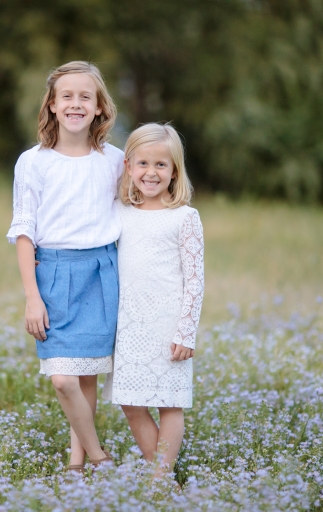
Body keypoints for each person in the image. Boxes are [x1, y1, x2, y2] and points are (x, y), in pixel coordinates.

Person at [6, 61, 123, 472]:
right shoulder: (33, 162)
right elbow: (24, 231)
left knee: (85, 375)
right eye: (67, 96)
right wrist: (32, 297)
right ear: (53, 106)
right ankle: (100, 457)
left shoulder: (116, 161)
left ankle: (76, 466)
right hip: (53, 274)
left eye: (85, 97)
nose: (76, 104)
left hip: (101, 273)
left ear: (98, 108)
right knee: (63, 378)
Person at [103, 123, 204, 477]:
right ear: (129, 166)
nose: (151, 172)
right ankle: (158, 473)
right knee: (130, 401)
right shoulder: (119, 211)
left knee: (170, 403)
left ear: (174, 170)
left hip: (168, 325)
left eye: (161, 165)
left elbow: (195, 280)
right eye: (143, 164)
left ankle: (160, 482)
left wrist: (186, 332)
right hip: (129, 323)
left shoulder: (185, 218)